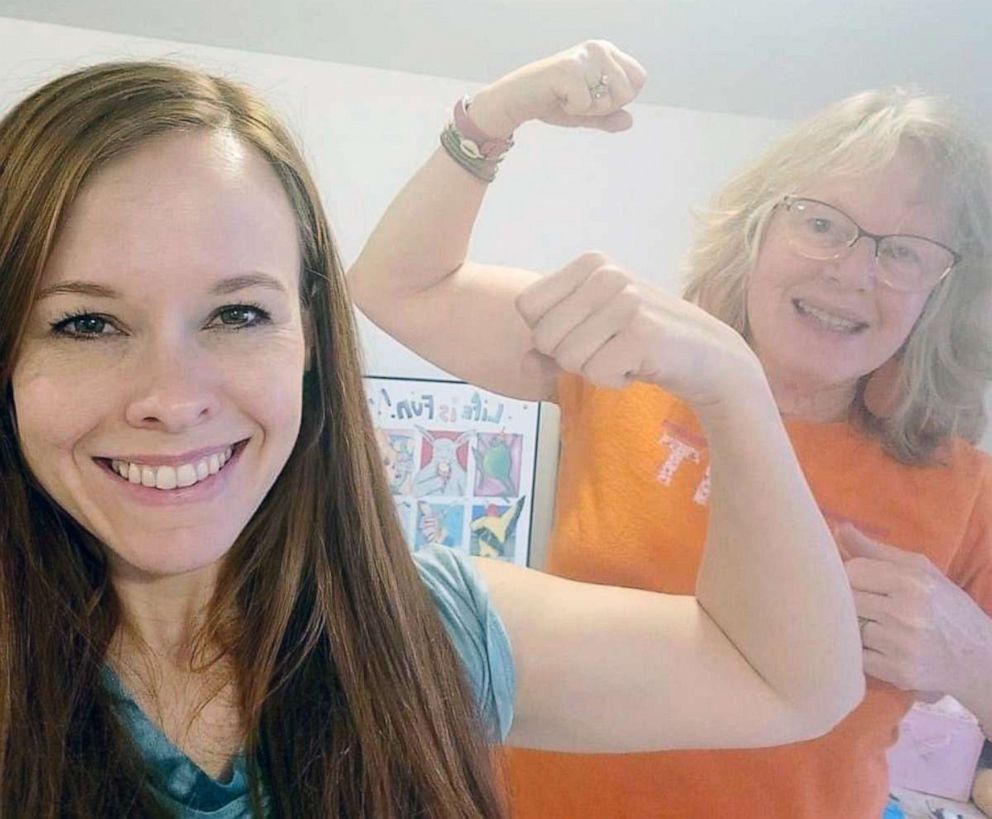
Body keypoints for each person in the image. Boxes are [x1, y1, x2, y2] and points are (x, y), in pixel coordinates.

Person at [0, 59, 865, 818]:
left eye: (237, 313)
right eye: (84, 323)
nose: (173, 398)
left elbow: (792, 683)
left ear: (309, 341)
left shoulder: (431, 632)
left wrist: (732, 382)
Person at [348, 40, 992, 819]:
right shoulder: (635, 355)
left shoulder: (963, 487)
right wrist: (494, 117)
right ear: (758, 229)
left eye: (903, 253)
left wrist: (973, 659)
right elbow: (397, 285)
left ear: (942, 289)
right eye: (822, 224)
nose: (852, 271)